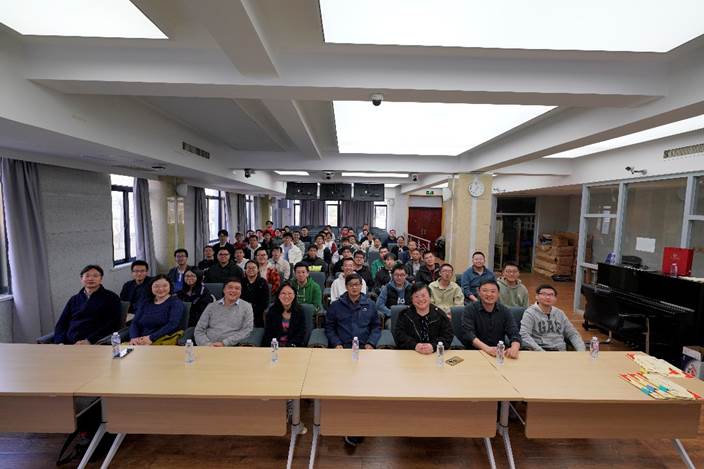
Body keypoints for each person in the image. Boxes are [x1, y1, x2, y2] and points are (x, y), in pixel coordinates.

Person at [53, 265, 121, 344]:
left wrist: (90, 340)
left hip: (93, 343)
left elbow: (112, 325)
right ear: (81, 279)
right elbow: (61, 324)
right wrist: (60, 342)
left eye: (95, 276)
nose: (91, 279)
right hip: (67, 343)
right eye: (87, 276)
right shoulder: (74, 299)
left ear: (101, 279)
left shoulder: (111, 298)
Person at [461, 279, 520, 358]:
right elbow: (468, 334)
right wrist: (487, 349)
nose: (489, 294)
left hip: (498, 354)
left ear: (498, 294)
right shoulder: (469, 309)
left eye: (493, 291)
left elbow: (514, 333)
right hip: (475, 353)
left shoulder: (505, 311)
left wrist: (514, 347)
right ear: (478, 292)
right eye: (485, 291)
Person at [520, 285, 586, 352]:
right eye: (544, 294)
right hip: (540, 351)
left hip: (560, 351)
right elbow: (524, 335)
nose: (548, 297)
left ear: (555, 298)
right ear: (537, 296)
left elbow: (572, 334)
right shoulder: (530, 313)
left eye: (551, 295)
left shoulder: (559, 313)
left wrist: (581, 351)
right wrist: (541, 351)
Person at [393, 283, 454, 353]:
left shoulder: (440, 315)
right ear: (412, 299)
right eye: (416, 296)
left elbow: (447, 337)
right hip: (410, 353)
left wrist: (433, 346)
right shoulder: (404, 315)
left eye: (423, 295)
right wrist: (414, 345)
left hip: (434, 354)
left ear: (430, 297)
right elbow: (399, 336)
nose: (420, 299)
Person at [325, 273, 381, 349]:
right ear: (346, 287)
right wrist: (336, 343)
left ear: (361, 286)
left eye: (357, 284)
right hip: (342, 347)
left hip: (364, 347)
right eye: (351, 285)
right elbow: (329, 328)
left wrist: (371, 343)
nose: (354, 287)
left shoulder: (370, 305)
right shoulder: (336, 305)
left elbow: (376, 327)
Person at [194, 278, 254, 346]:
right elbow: (199, 330)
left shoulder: (247, 307)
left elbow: (246, 330)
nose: (233, 290)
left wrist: (224, 343)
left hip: (231, 346)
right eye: (230, 287)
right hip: (208, 346)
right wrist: (207, 344)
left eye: (237, 288)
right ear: (224, 290)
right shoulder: (211, 306)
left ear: (240, 292)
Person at [129, 275, 185, 345]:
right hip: (140, 340)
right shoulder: (145, 302)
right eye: (156, 286)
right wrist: (134, 337)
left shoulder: (175, 303)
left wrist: (151, 338)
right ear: (151, 287)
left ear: (170, 287)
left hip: (161, 339)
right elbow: (135, 322)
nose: (161, 289)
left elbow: (172, 324)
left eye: (164, 286)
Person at [240, 260, 270, 328]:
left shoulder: (263, 282)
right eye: (248, 268)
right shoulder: (241, 282)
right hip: (242, 313)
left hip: (258, 314)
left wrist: (251, 309)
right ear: (245, 270)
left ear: (258, 269)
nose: (251, 270)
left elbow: (265, 303)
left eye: (253, 268)